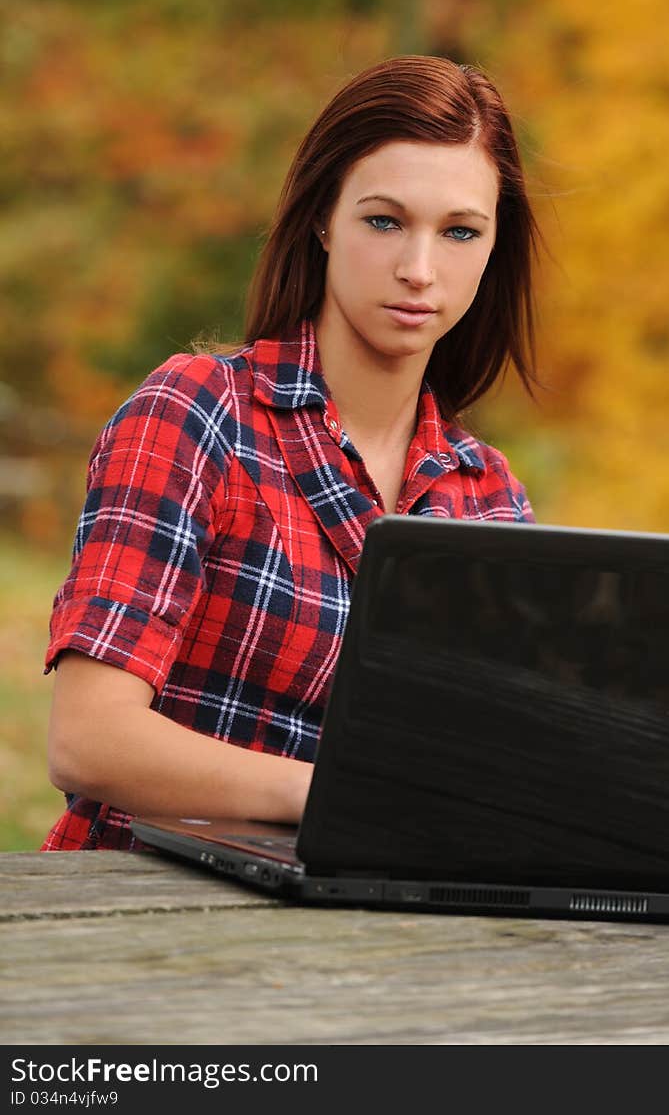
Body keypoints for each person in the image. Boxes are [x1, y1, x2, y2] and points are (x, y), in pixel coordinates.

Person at [43, 54, 542, 850]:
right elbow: (88, 741)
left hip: (366, 940)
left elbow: (483, 770)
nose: (419, 270)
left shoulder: (488, 496)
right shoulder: (198, 415)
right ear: (322, 220)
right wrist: (337, 795)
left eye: (459, 232)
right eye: (384, 221)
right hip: (139, 912)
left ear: (491, 248)